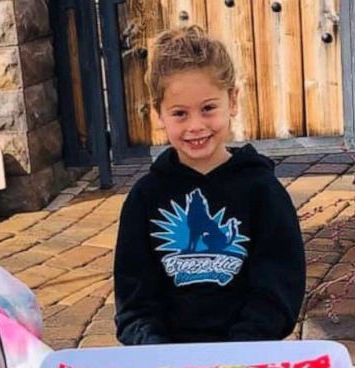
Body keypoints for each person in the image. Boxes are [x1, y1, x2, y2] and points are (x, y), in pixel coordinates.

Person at [113, 25, 305, 345]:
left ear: (232, 100)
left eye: (207, 108)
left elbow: (277, 290)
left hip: (246, 357)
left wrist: (238, 349)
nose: (196, 126)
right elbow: (135, 304)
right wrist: (158, 353)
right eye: (179, 113)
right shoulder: (144, 199)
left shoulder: (263, 193)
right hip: (165, 366)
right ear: (158, 113)